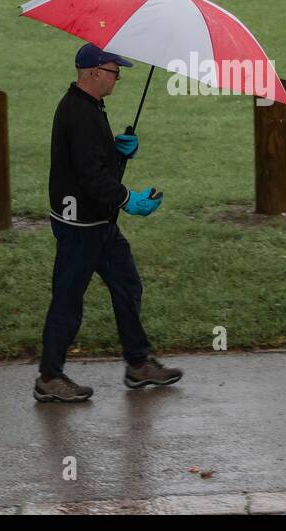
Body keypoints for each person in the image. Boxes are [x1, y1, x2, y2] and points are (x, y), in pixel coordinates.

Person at [34, 43, 184, 403]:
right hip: (81, 227)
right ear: (95, 72)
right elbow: (90, 177)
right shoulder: (79, 113)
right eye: (116, 72)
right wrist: (128, 199)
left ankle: (137, 364)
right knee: (68, 301)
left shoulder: (90, 107)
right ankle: (49, 377)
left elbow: (94, 161)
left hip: (99, 223)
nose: (118, 79)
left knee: (127, 285)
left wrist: (116, 151)